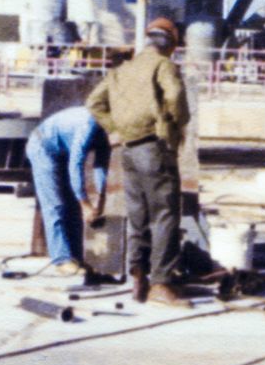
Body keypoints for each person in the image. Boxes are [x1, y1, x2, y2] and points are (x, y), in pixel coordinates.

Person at [87, 16, 190, 306]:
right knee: (165, 215)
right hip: (155, 149)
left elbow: (93, 102)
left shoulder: (123, 69)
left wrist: (114, 130)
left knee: (138, 216)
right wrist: (177, 124)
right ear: (171, 44)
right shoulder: (164, 65)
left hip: (128, 150)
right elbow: (177, 95)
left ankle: (138, 278)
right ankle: (161, 284)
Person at [25, 105, 110, 278]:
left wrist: (100, 202)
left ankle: (76, 258)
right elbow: (76, 164)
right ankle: (61, 260)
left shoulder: (109, 128)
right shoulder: (89, 124)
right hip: (42, 147)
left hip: (62, 150)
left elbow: (101, 165)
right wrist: (85, 204)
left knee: (72, 207)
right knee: (55, 205)